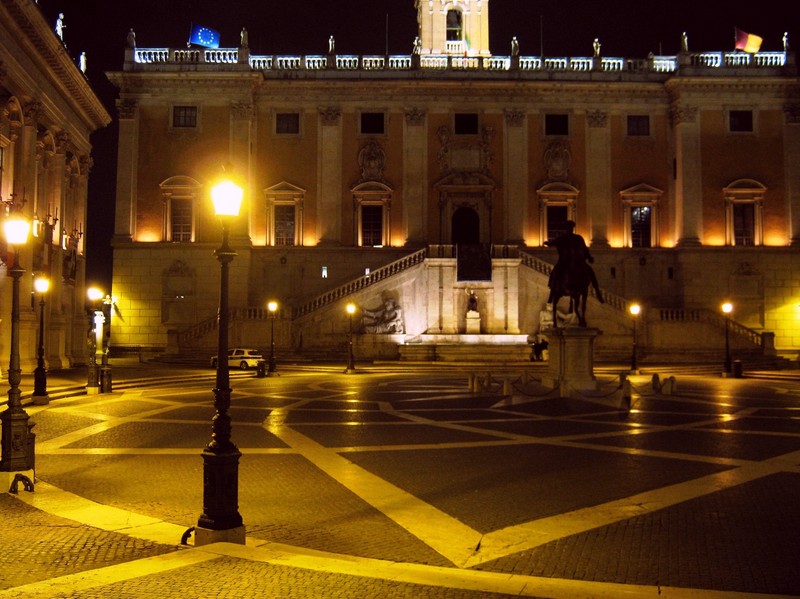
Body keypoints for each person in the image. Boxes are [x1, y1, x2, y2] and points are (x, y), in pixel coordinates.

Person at [545, 220, 603, 303]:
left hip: (575, 261)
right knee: (555, 273)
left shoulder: (578, 238)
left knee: (591, 272)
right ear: (566, 229)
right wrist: (548, 243)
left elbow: (584, 249)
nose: (570, 229)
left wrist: (589, 257)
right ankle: (551, 295)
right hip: (565, 262)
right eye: (569, 228)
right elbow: (553, 243)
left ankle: (597, 292)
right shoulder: (563, 238)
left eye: (571, 228)